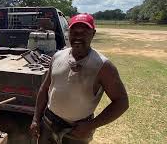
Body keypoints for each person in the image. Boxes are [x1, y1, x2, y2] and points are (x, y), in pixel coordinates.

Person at [30, 13, 129, 144]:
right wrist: (36, 119)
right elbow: (45, 89)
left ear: (93, 33)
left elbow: (121, 102)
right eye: (74, 32)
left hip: (77, 131)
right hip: (48, 123)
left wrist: (91, 125)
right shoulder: (58, 56)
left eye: (84, 32)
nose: (78, 36)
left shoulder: (103, 66)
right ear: (68, 33)